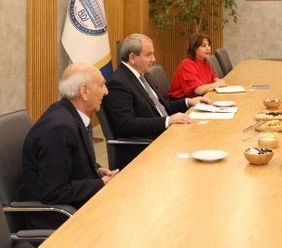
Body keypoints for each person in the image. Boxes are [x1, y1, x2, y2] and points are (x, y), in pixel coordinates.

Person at [22, 63, 118, 228]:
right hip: (57, 218)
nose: (106, 91)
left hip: (73, 207)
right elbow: (54, 192)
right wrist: (101, 183)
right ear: (84, 92)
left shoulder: (68, 113)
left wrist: (96, 169)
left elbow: (69, 159)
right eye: (102, 84)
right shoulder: (59, 129)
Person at [101, 34, 211, 166]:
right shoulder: (118, 83)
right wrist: (167, 121)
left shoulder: (143, 74)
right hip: (147, 147)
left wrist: (188, 101)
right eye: (149, 55)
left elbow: (162, 107)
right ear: (132, 57)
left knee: (206, 135)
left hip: (166, 134)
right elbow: (126, 124)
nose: (154, 59)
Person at [169, 33, 227, 98]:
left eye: (209, 45)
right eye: (203, 46)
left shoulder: (204, 61)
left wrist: (218, 80)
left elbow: (212, 76)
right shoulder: (187, 64)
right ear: (194, 48)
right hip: (183, 101)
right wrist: (217, 84)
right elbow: (198, 90)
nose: (208, 48)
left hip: (200, 97)